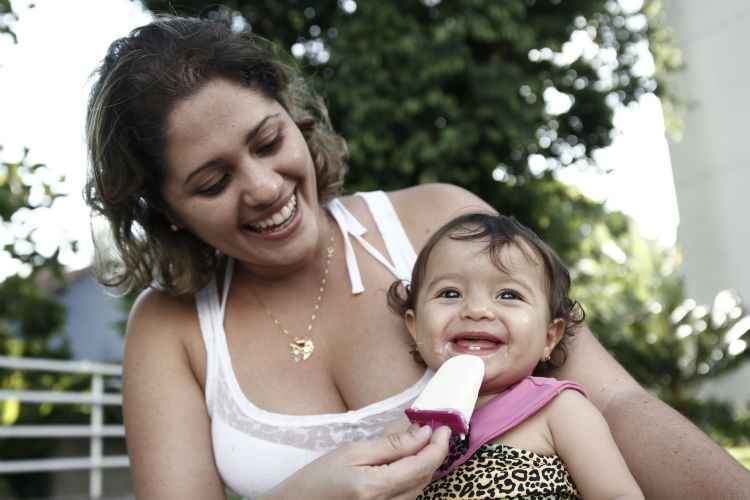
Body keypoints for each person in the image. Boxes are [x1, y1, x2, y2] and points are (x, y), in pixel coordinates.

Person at [84, 13, 750, 500]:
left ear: (296, 120)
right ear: (165, 209)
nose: (262, 188)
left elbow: (618, 405)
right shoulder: (170, 330)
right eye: (212, 182)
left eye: (267, 141)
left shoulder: (437, 224)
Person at [387, 213, 643, 499]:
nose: (476, 309)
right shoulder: (405, 433)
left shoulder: (560, 409)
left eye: (508, 295)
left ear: (550, 337)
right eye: (450, 293)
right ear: (415, 327)